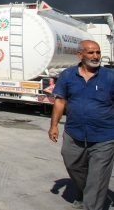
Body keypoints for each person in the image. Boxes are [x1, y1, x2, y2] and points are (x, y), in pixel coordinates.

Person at [49, 40, 114, 210]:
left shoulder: (110, 76)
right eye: (91, 53)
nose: (96, 56)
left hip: (104, 136)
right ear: (80, 55)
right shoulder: (68, 75)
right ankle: (85, 192)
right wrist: (54, 126)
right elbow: (60, 100)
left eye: (98, 52)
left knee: (98, 177)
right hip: (74, 132)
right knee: (72, 164)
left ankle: (92, 203)